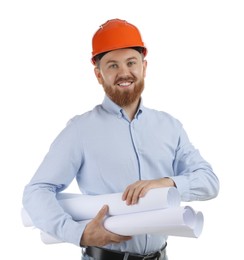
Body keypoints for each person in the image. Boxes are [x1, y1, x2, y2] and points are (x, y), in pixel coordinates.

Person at [22, 18, 219, 260]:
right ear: (98, 74)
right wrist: (79, 233)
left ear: (144, 67)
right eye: (113, 65)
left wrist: (166, 183)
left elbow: (209, 182)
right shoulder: (80, 130)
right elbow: (37, 191)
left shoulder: (169, 126)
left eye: (131, 63)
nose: (124, 73)